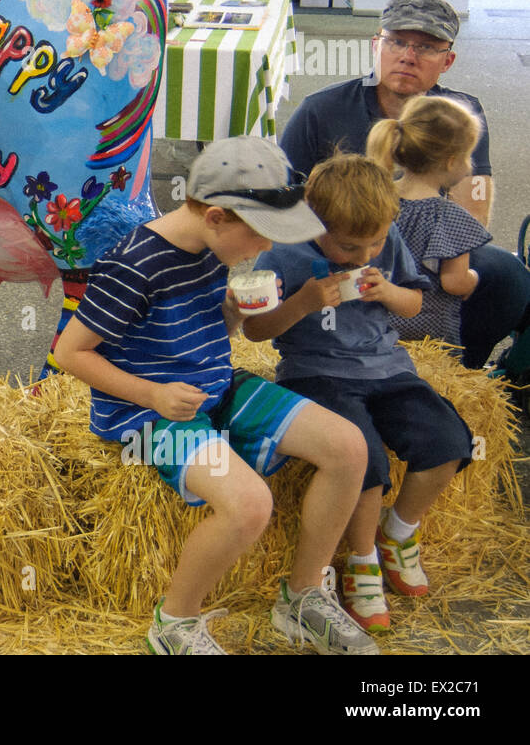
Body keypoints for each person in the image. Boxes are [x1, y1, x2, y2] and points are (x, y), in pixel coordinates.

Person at [53, 136, 376, 656]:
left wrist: (232, 310)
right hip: (147, 412)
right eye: (261, 234)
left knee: (349, 446)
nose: (266, 248)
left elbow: (215, 333)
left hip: (213, 384)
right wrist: (152, 395)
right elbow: (70, 354)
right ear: (218, 217)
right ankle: (174, 623)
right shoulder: (132, 264)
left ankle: (302, 597)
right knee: (249, 506)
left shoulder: (209, 248)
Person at [244, 155, 472, 633]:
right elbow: (256, 332)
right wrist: (304, 301)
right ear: (313, 223)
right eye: (349, 246)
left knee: (449, 440)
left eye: (375, 241)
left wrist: (387, 291)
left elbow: (415, 301)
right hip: (313, 373)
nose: (365, 255)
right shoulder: (282, 252)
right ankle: (362, 560)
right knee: (365, 460)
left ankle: (398, 533)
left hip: (387, 368)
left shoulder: (381, 246)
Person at [279, 0, 530, 367]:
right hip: (340, 252)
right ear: (375, 44)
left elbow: (473, 207)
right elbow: (284, 204)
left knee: (509, 276)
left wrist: (433, 257)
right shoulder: (320, 109)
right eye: (396, 41)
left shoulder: (461, 113)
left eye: (426, 47)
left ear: (448, 60)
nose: (408, 56)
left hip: (430, 247)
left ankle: (463, 368)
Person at [366, 96, 490, 349]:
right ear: (451, 161)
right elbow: (454, 283)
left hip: (371, 326)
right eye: (468, 156)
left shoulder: (375, 199)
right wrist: (475, 278)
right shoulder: (450, 218)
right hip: (426, 338)